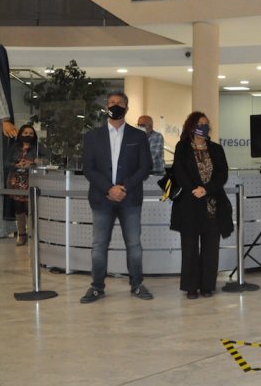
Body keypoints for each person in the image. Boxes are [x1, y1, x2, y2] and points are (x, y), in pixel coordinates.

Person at [80, 91, 153, 303]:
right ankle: (97, 287)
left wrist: (123, 187)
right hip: (102, 199)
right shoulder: (92, 136)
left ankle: (137, 284)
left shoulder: (138, 136)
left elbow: (144, 167)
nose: (115, 106)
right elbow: (89, 169)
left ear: (127, 108)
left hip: (129, 199)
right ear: (106, 108)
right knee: (99, 245)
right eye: (112, 103)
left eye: (120, 103)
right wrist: (108, 189)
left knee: (134, 245)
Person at [170, 112, 233, 299]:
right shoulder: (182, 148)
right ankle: (191, 287)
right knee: (189, 248)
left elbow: (222, 175)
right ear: (191, 126)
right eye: (200, 123)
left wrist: (206, 189)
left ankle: (207, 285)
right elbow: (179, 173)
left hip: (212, 204)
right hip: (188, 206)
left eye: (206, 124)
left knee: (211, 248)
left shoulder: (216, 149)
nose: (204, 127)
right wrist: (194, 189)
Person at [4, 125, 50, 245]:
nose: (28, 135)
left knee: (30, 207)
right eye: (25, 133)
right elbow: (7, 162)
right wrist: (17, 164)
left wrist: (33, 161)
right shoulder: (14, 146)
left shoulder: (38, 147)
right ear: (20, 134)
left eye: (31, 133)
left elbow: (47, 159)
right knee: (19, 207)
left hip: (32, 180)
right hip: (15, 181)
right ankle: (21, 234)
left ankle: (33, 234)